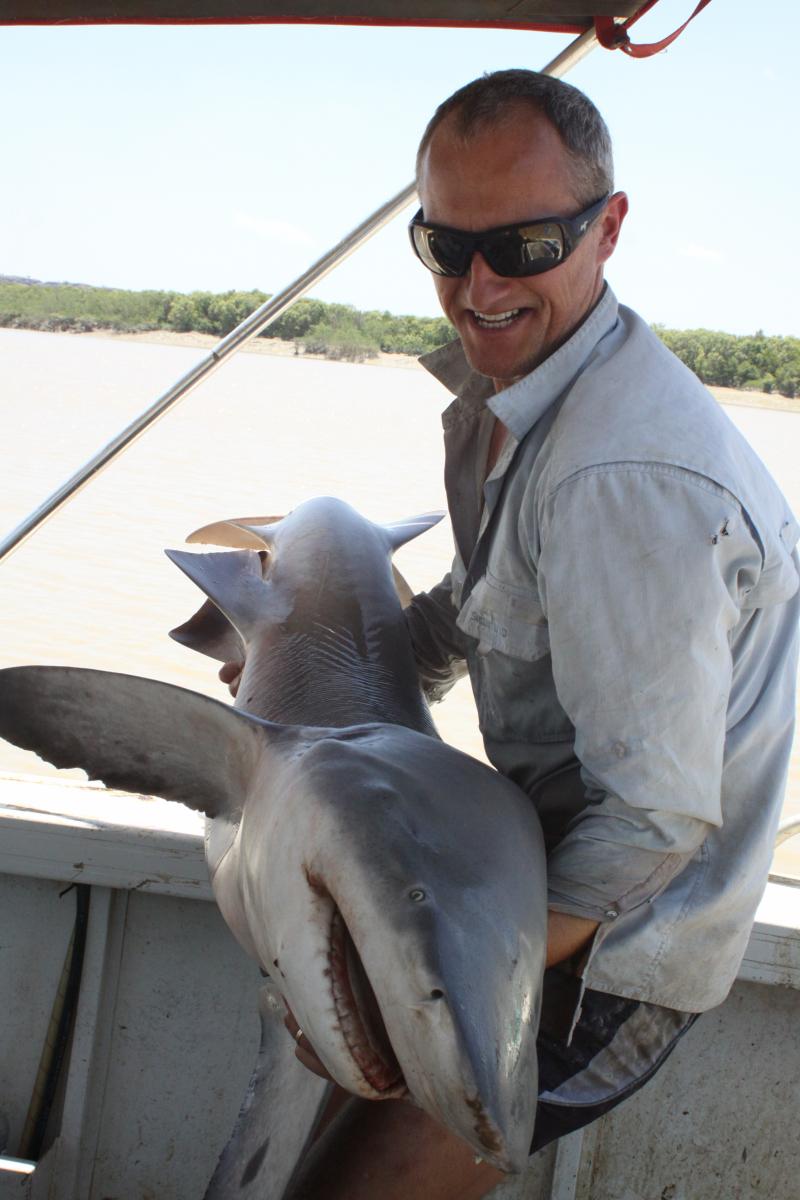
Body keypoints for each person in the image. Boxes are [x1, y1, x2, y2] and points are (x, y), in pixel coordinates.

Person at [221, 70, 800, 1199]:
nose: (477, 285)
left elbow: (647, 825)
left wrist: (409, 996)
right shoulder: (537, 397)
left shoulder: (617, 477)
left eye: (526, 244)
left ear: (607, 227)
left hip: (612, 956)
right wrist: (312, 651)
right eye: (445, 245)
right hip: (517, 879)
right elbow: (471, 614)